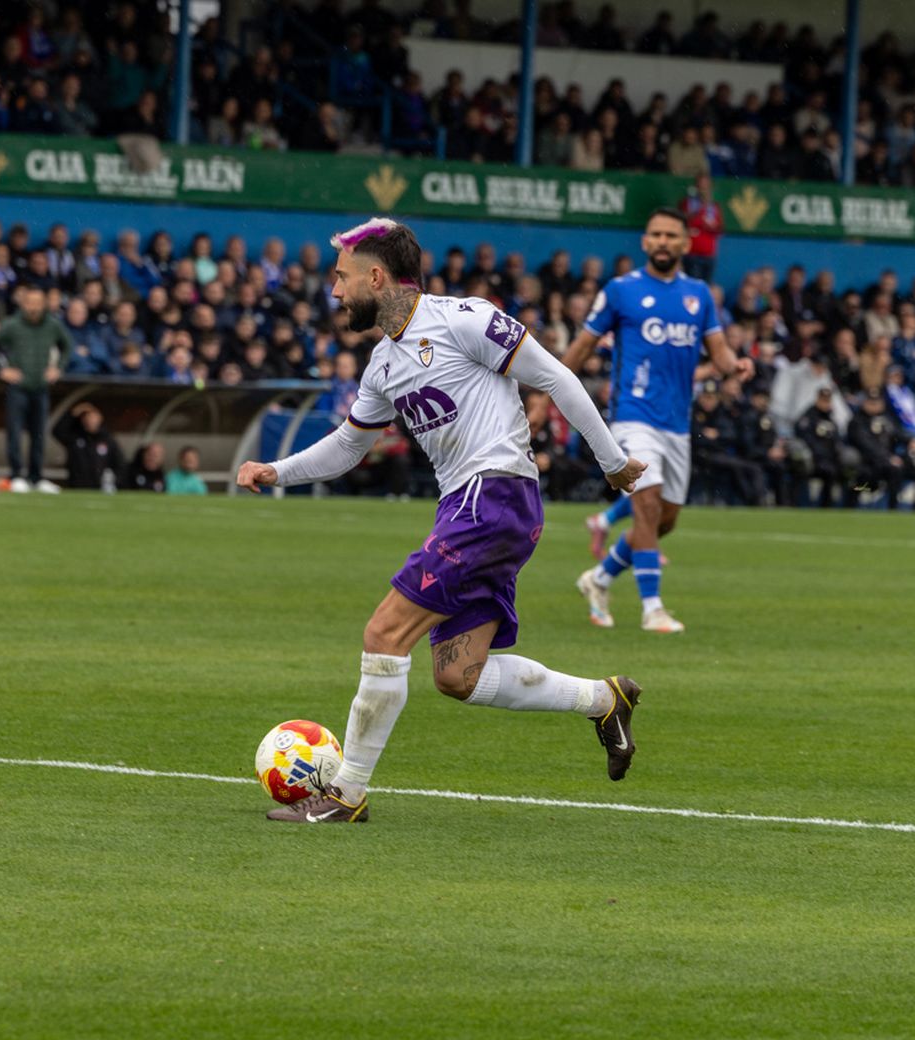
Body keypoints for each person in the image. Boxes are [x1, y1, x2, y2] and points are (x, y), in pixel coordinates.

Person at [236, 217, 647, 825]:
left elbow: (556, 376)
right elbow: (349, 446)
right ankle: (603, 699)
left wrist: (611, 462)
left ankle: (346, 795)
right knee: (458, 674)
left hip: (493, 496)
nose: (335, 292)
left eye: (343, 278)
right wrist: (276, 471)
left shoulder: (464, 318)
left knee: (384, 635)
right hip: (474, 508)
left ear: (377, 276)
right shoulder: (382, 364)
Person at [564, 208, 753, 634]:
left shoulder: (699, 294)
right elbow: (583, 346)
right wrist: (550, 384)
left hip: (676, 425)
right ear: (645, 242)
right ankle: (653, 609)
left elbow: (719, 352)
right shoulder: (620, 291)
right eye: (656, 234)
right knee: (645, 506)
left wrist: (734, 366)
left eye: (672, 235)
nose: (663, 241)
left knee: (663, 521)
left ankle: (599, 578)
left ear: (686, 244)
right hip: (633, 416)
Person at [0, 287, 72, 493]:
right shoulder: (12, 325)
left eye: (37, 302)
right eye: (29, 302)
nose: (33, 307)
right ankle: (16, 475)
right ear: (23, 303)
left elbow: (67, 346)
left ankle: (36, 477)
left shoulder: (52, 325)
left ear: (44, 304)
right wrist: (1, 370)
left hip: (41, 387)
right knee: (14, 432)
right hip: (18, 388)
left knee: (39, 433)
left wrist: (58, 368)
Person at [54, 402, 126, 490]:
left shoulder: (108, 440)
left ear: (99, 418)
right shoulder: (75, 437)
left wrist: (113, 482)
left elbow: (120, 464)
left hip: (99, 487)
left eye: (92, 417)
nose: (89, 420)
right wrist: (72, 413)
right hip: (76, 486)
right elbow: (57, 431)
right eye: (86, 417)